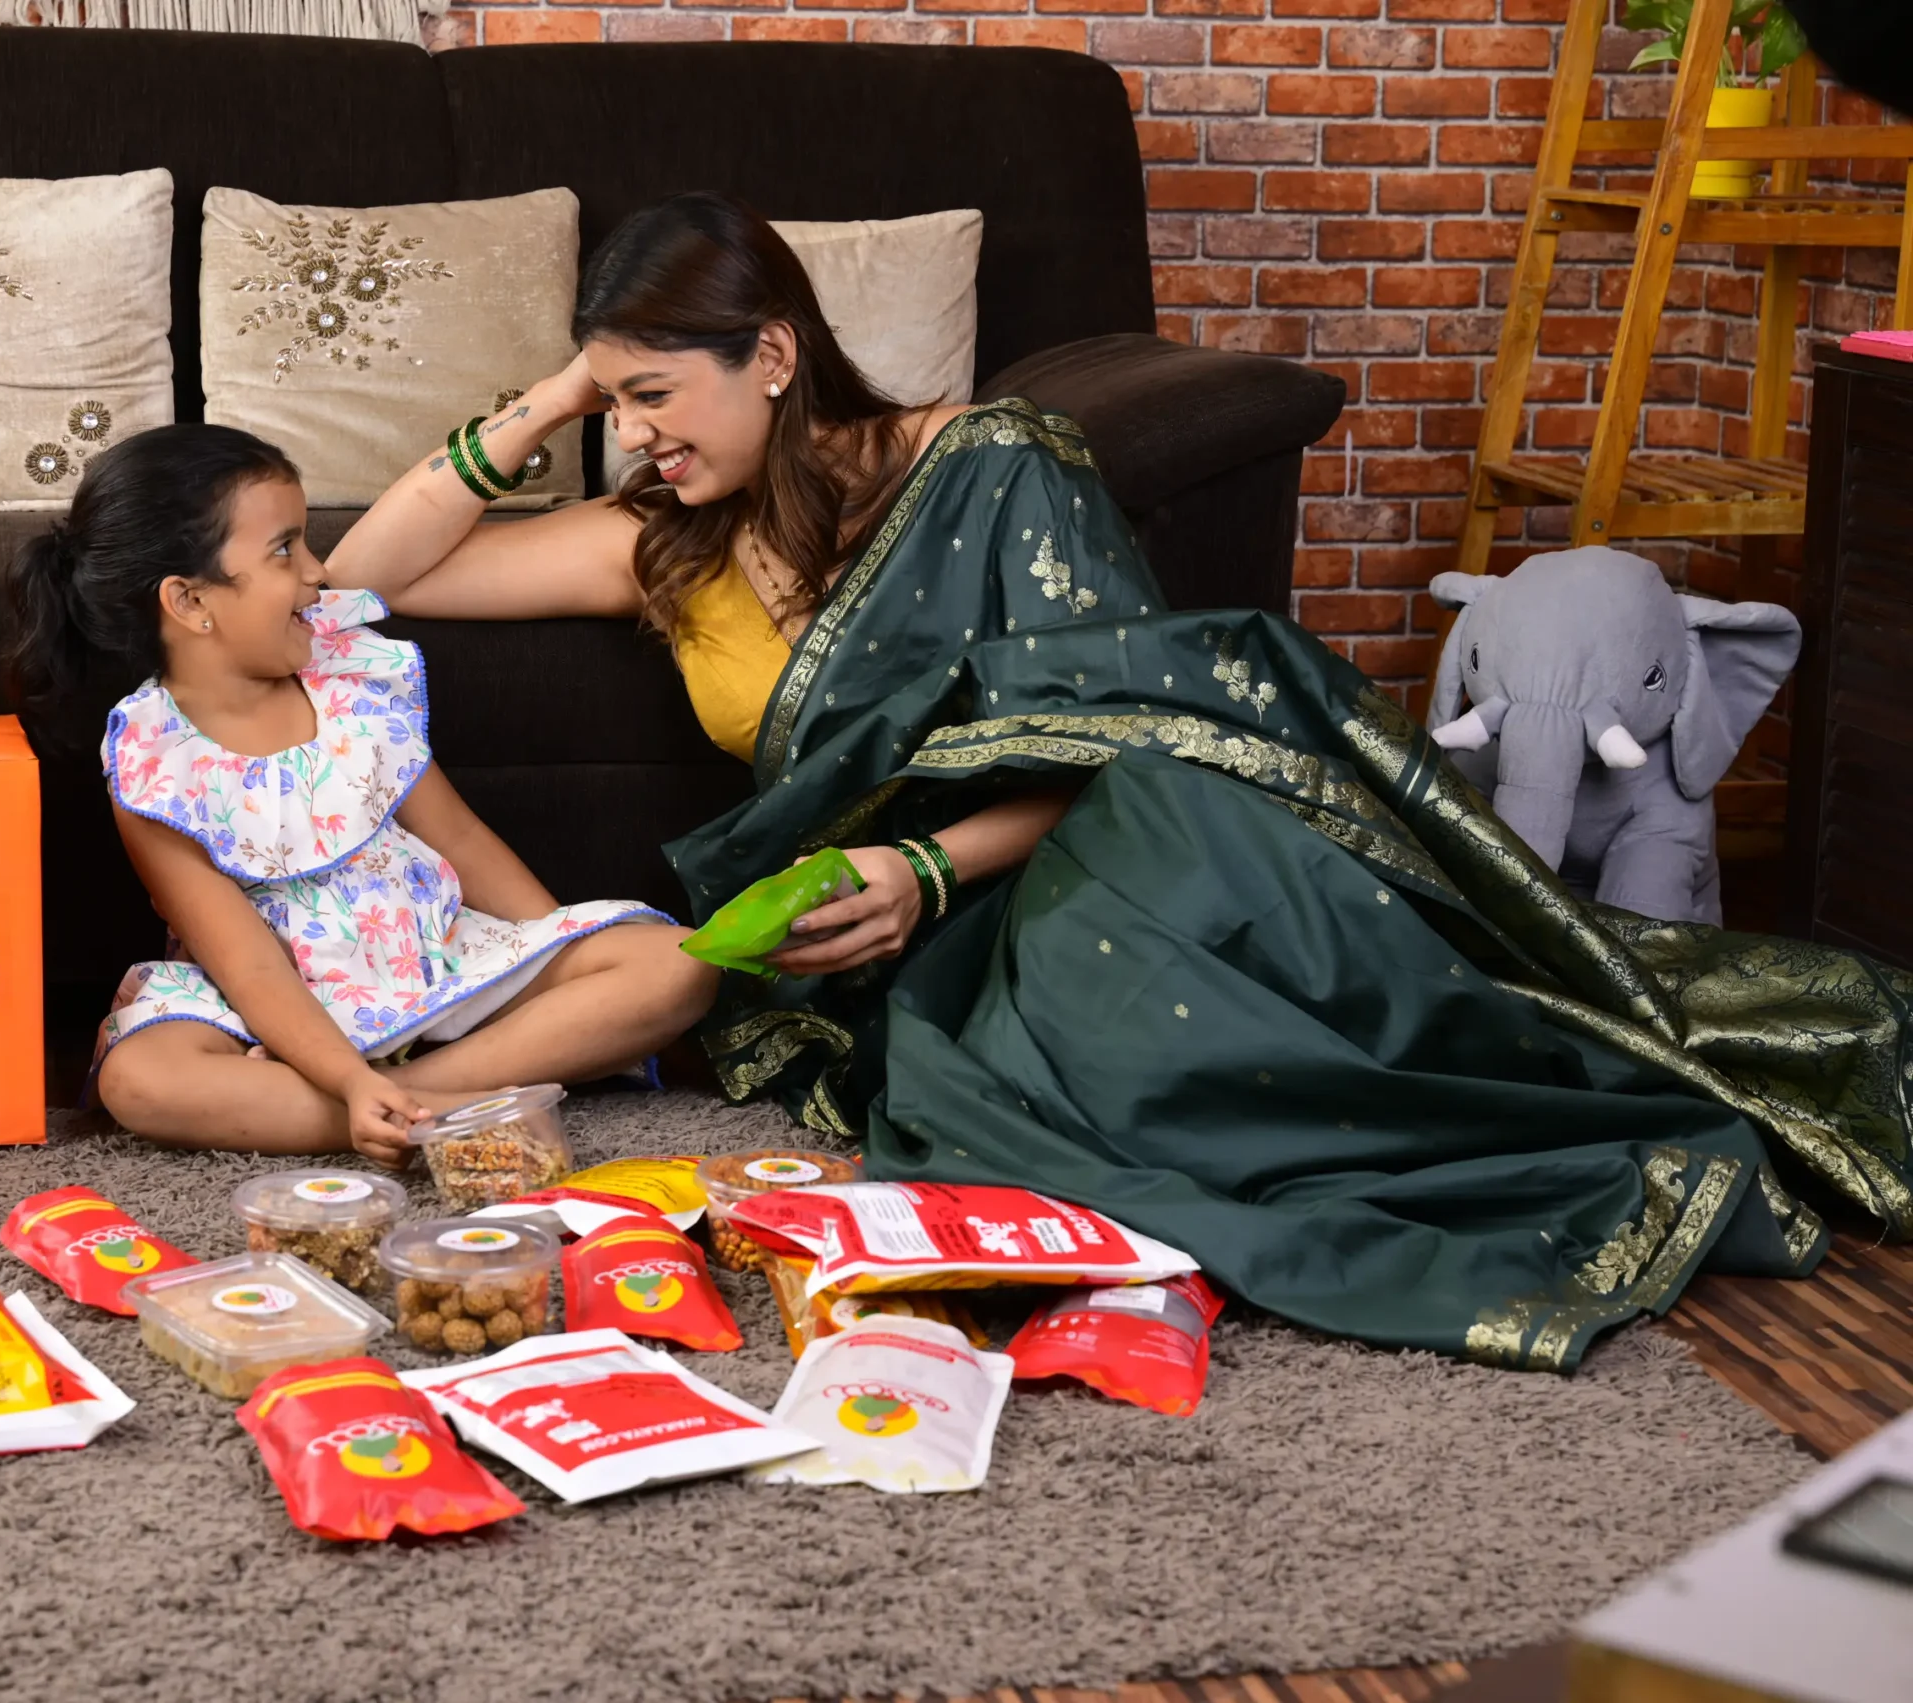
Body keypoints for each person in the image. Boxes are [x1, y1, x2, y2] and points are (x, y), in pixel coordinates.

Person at [328, 191, 1913, 1369]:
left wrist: (929, 869)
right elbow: (361, 579)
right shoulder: (658, 547)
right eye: (618, 409)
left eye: (657, 398)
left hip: (1052, 851)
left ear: (774, 352)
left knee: (1127, 946)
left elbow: (1128, 727)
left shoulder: (992, 460)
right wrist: (558, 396)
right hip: (885, 933)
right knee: (995, 1096)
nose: (641, 440)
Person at [7, 424, 719, 1165]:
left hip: (430, 957)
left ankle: (406, 1098)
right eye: (286, 549)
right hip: (271, 1004)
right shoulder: (152, 762)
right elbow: (247, 963)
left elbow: (462, 841)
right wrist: (340, 1070)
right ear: (190, 600)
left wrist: (555, 948)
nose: (318, 572)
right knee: (143, 1080)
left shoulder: (353, 680)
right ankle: (414, 1103)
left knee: (677, 960)